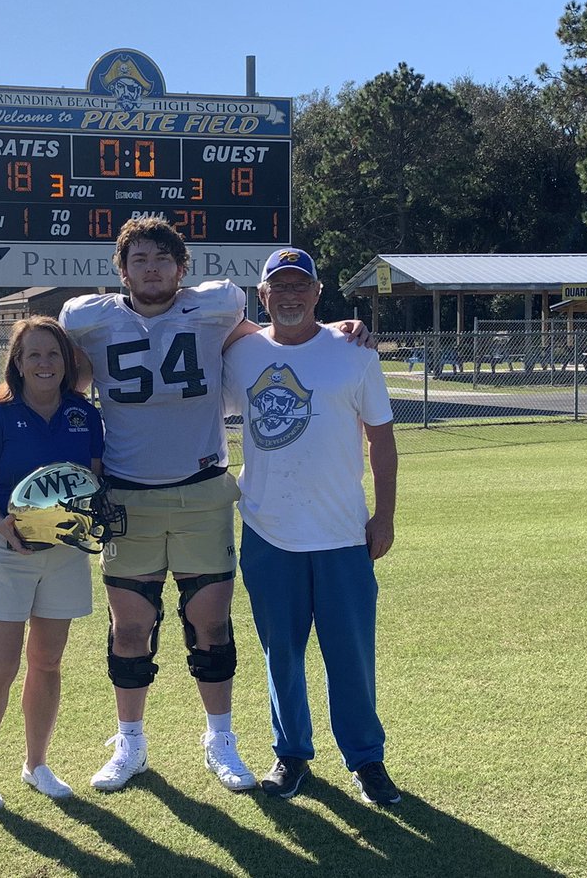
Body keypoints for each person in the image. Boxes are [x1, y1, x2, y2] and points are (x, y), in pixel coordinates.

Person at [0, 218, 371, 794]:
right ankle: (130, 742)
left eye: (162, 259)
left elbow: (271, 329)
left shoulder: (214, 307)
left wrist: (331, 331)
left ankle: (220, 739)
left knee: (210, 622)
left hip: (202, 488)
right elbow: (47, 363)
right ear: (121, 270)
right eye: (139, 260)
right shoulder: (92, 318)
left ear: (182, 268)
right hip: (127, 494)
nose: (150, 269)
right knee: (130, 630)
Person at [222, 247, 402, 804]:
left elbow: (382, 439)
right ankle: (292, 755)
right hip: (269, 531)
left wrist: (385, 515)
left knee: (350, 654)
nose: (290, 295)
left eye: (301, 286)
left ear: (318, 293)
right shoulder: (240, 353)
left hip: (343, 533)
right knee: (283, 655)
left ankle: (366, 760)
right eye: (279, 286)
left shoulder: (353, 353)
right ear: (263, 295)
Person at [0, 316, 107, 809]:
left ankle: (36, 763)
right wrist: (4, 525)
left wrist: (85, 517)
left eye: (53, 354)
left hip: (63, 554)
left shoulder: (82, 415)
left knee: (47, 661)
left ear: (67, 363)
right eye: (34, 355)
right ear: (17, 364)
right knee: (0, 664)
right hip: (7, 551)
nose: (44, 363)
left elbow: (92, 481)